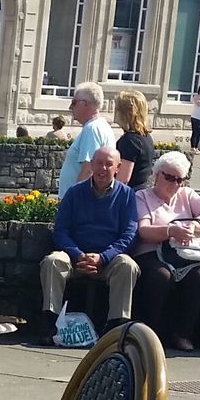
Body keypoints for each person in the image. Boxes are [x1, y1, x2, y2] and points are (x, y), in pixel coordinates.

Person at [36, 146, 139, 345]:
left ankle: (115, 329)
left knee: (128, 265)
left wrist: (103, 257)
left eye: (109, 164)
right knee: (52, 261)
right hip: (76, 257)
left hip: (108, 259)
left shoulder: (127, 195)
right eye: (99, 163)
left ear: (117, 168)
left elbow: (129, 234)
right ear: (91, 164)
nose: (103, 168)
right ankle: (51, 324)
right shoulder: (74, 193)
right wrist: (78, 254)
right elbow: (61, 230)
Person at [132, 152, 200, 351]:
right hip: (151, 251)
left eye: (179, 179)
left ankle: (183, 334)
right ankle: (152, 334)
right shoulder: (142, 196)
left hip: (184, 255)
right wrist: (171, 231)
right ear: (156, 175)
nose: (174, 184)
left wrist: (197, 225)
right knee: (161, 276)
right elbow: (143, 230)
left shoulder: (187, 195)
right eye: (169, 177)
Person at [56, 81, 115, 198]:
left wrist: (75, 201)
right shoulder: (101, 126)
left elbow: (89, 170)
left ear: (85, 104)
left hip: (79, 204)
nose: (70, 107)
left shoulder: (92, 129)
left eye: (74, 102)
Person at [114, 89, 155, 191]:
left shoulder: (130, 141)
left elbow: (122, 180)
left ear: (126, 113)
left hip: (129, 197)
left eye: (117, 109)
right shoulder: (145, 137)